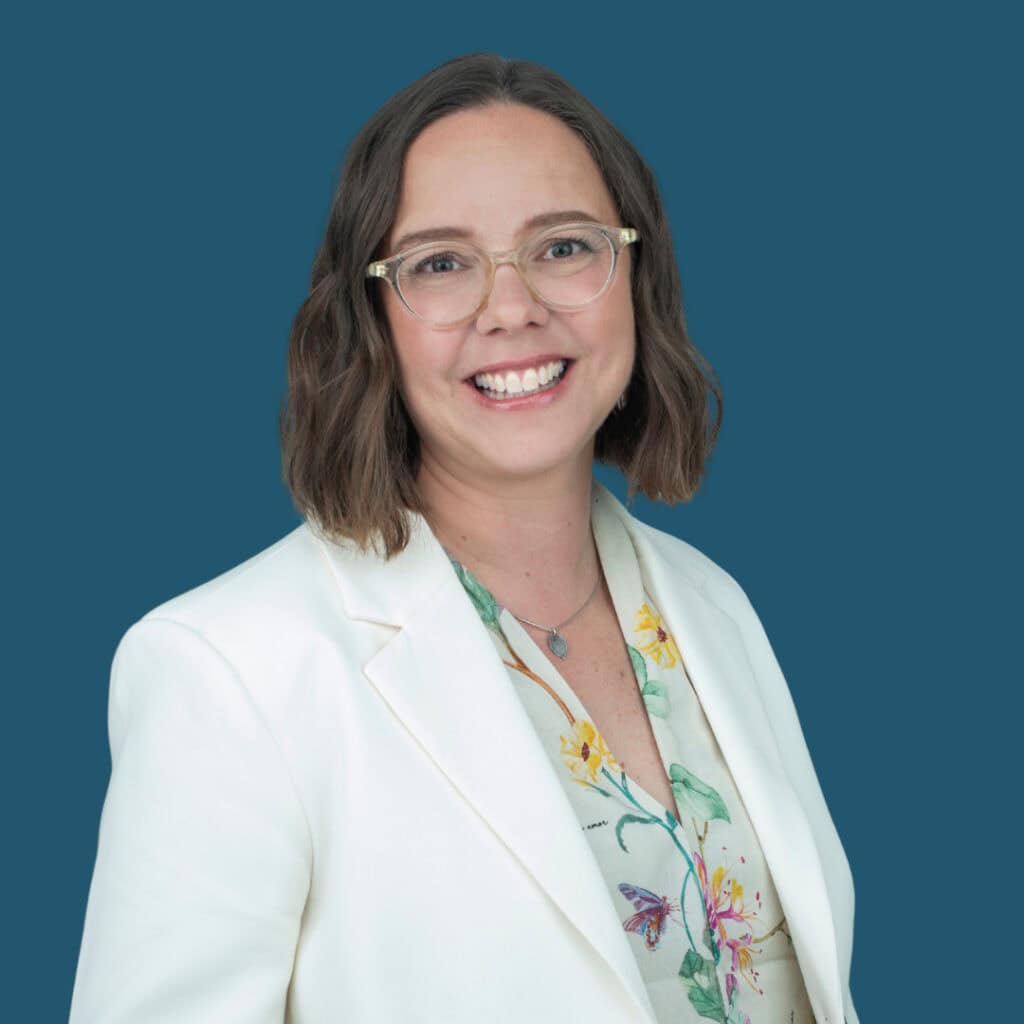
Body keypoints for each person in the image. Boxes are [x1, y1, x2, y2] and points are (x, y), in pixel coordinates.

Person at [70, 52, 858, 1024]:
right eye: (439, 263)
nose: (513, 305)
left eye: (563, 246)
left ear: (632, 270)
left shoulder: (711, 607)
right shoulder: (231, 670)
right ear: (369, 318)